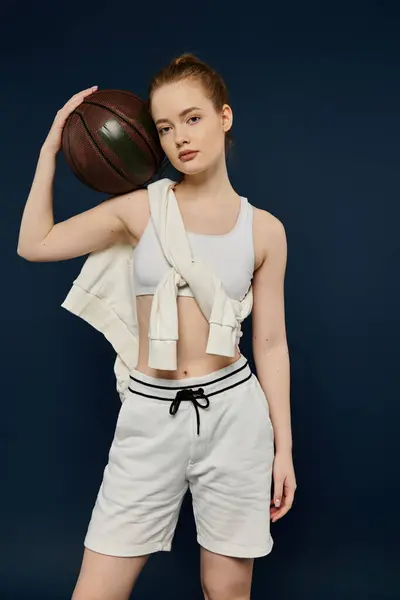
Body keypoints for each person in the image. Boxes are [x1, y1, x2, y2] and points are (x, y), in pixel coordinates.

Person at [17, 54, 297, 600]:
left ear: (225, 116)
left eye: (192, 119)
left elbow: (271, 343)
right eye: (165, 128)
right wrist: (51, 148)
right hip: (151, 413)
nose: (179, 139)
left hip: (235, 418)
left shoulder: (265, 230)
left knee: (226, 590)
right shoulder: (138, 210)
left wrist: (283, 448)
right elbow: (34, 244)